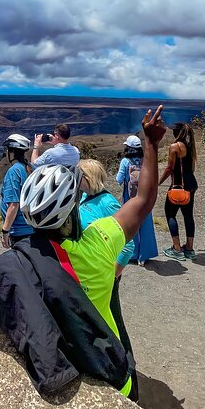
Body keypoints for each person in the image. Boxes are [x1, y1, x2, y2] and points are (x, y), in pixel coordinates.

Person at [0, 105, 166, 399]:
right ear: (72, 209)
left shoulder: (20, 263)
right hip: (111, 371)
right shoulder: (100, 241)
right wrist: (150, 144)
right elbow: (143, 201)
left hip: (69, 369)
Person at [78, 158, 138, 396]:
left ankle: (128, 370)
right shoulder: (82, 198)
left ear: (88, 178)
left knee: (114, 319)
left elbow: (127, 245)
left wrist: (113, 273)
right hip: (92, 275)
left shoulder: (108, 203)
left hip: (106, 276)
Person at [116, 135, 158, 266]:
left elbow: (119, 179)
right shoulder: (145, 160)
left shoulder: (125, 161)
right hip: (144, 196)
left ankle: (132, 254)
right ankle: (144, 255)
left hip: (130, 197)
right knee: (145, 223)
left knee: (130, 223)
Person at [159, 122, 198, 261]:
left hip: (178, 186)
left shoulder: (174, 147)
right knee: (188, 216)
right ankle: (189, 248)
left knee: (170, 214)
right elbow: (191, 168)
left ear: (176, 133)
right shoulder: (190, 146)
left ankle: (176, 249)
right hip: (191, 184)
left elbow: (169, 168)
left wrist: (158, 182)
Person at [0, 134, 34, 248]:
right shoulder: (32, 168)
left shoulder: (14, 172)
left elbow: (14, 205)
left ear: (11, 152)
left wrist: (5, 231)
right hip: (33, 227)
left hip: (19, 231)